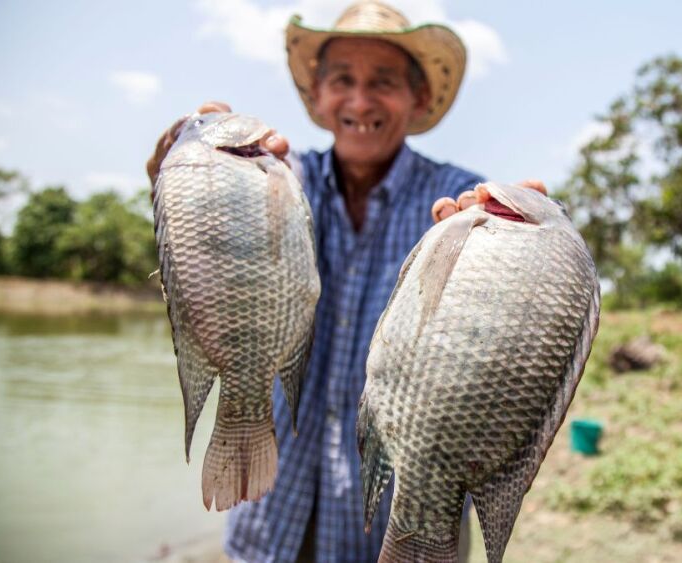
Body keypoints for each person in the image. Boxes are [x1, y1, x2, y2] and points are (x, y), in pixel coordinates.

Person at [146, 2, 546, 561]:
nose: (360, 101)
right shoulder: (277, 179)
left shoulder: (460, 211)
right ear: (316, 96)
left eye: (382, 82)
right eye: (343, 81)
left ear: (419, 98)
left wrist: (522, 263)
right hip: (270, 520)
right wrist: (181, 181)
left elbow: (494, 350)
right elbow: (202, 269)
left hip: (397, 531)